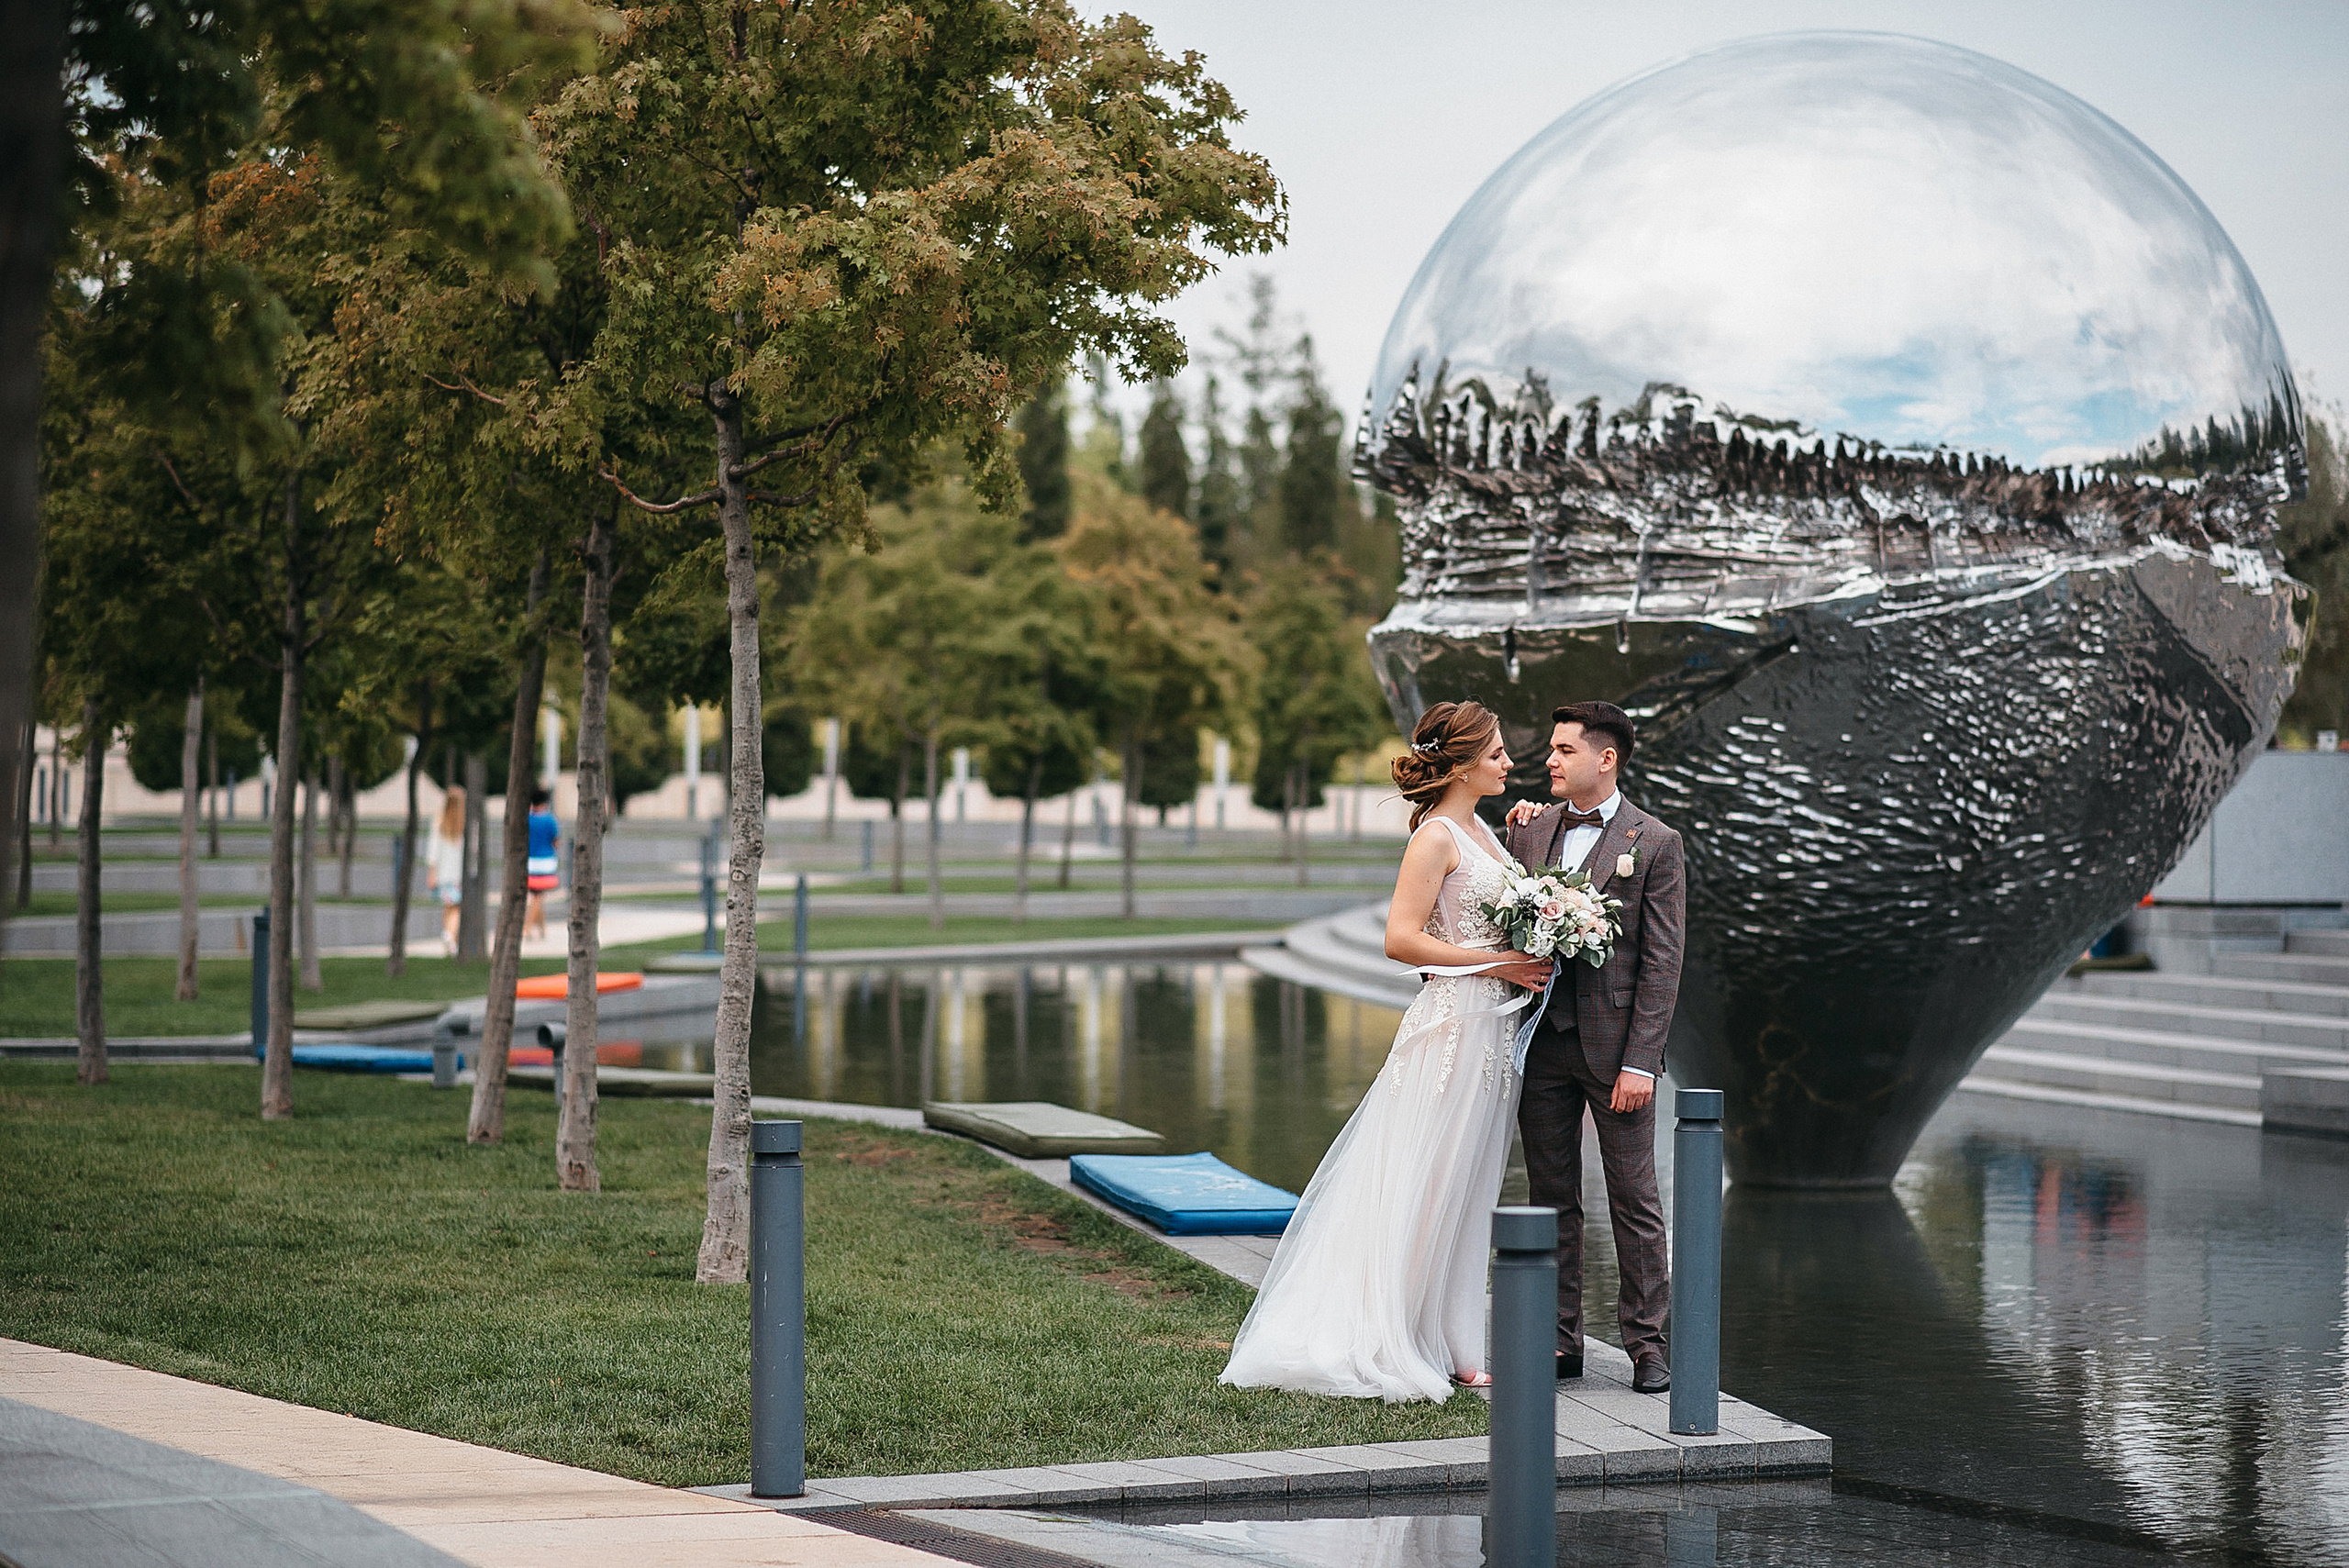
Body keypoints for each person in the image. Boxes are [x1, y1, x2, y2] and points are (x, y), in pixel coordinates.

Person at [1220, 700, 1553, 1400]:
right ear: (1460, 766)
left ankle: (1456, 1340)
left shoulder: (1481, 829)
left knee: (1467, 1185)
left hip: (1492, 1033)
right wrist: (1495, 964)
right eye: (1495, 753)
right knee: (1427, 1181)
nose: (1508, 762)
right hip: (1451, 1030)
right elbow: (1399, 938)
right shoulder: (1435, 836)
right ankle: (1394, 1334)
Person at [1502, 700, 1686, 1395]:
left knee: (1635, 1198)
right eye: (1550, 748)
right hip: (1542, 1043)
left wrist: (1643, 1060)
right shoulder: (1530, 829)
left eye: (1563, 749)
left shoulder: (1656, 842)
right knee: (1550, 1196)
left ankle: (1647, 1346)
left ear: (1604, 759)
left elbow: (1662, 963)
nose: (1548, 759)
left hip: (1618, 1056)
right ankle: (1558, 1341)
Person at [426, 786, 467, 959]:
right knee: (456, 908)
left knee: (448, 907)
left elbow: (433, 851)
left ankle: (448, 937)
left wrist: (432, 872)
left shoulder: (439, 822)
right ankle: (450, 936)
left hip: (444, 874)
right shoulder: (465, 824)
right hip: (458, 875)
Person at [523, 787, 560, 940]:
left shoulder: (528, 819)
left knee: (536, 895)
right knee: (538, 897)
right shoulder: (550, 820)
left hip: (530, 861)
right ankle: (528, 928)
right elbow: (556, 841)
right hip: (545, 862)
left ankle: (542, 929)